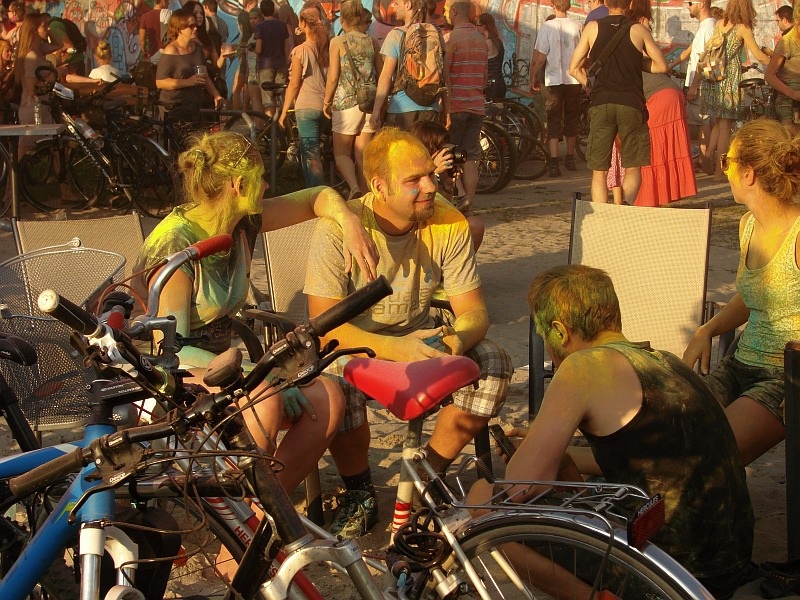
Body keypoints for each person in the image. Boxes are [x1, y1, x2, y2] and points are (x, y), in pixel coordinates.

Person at [473, 264, 754, 599]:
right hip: (726, 565)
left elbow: (520, 488)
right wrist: (559, 455)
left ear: (560, 332)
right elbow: (646, 459)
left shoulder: (584, 366)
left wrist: (534, 445)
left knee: (482, 498)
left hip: (669, 577)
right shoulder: (664, 360)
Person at [134, 130, 379, 493]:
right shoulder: (177, 243)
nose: (266, 186)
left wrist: (350, 222)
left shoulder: (242, 221)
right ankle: (247, 510)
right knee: (265, 397)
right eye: (261, 178)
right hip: (162, 375)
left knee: (327, 396)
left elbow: (318, 196)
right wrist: (258, 375)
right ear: (237, 185)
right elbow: (173, 351)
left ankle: (265, 509)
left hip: (222, 368)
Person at [304, 127, 512, 539]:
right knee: (332, 376)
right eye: (414, 180)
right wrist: (395, 349)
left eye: (430, 175)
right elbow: (324, 329)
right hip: (354, 344)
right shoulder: (338, 230)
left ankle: (425, 477)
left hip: (421, 337)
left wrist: (454, 340)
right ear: (379, 187)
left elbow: (474, 312)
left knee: (493, 362)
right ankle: (359, 490)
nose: (430, 186)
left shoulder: (448, 221)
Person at [683, 118, 800, 468]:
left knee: (708, 454)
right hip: (741, 362)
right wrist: (707, 329)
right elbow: (753, 297)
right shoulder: (747, 225)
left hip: (784, 376)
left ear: (748, 174)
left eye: (726, 161)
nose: (725, 170)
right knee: (670, 432)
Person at [568, 0, 668, 203]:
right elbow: (661, 66)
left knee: (599, 171)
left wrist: (590, 84)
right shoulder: (638, 30)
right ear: (630, 4)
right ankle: (625, 209)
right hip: (631, 104)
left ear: (605, 2)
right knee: (633, 166)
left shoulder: (592, 28)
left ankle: (602, 215)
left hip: (602, 103)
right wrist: (634, 62)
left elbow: (573, 68)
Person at [701, 0, 769, 181]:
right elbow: (758, 55)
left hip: (714, 78)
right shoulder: (743, 28)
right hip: (729, 80)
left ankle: (708, 155)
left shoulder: (720, 23)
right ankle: (719, 172)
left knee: (718, 123)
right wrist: (776, 63)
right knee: (726, 126)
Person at [322, 0, 380, 198]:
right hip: (370, 104)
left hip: (346, 104)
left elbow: (333, 77)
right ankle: (366, 197)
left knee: (341, 154)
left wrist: (326, 101)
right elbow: (380, 74)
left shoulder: (337, 42)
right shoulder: (372, 42)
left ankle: (354, 187)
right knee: (362, 155)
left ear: (343, 20)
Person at [407, 119, 484, 249]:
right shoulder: (407, 169)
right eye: (441, 148)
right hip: (413, 227)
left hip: (433, 224)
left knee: (474, 225)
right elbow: (416, 206)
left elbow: (442, 208)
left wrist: (447, 186)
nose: (446, 153)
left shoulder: (439, 172)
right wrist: (433, 173)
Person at [369, 0, 442, 131]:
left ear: (408, 5)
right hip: (431, 109)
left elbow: (386, 76)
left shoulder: (396, 34)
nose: (393, 7)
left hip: (402, 109)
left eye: (397, 3)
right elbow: (444, 75)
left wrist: (376, 111)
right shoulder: (435, 35)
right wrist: (446, 110)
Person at [278, 5, 329, 187]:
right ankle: (310, 185)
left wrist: (284, 112)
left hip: (306, 106)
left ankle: (317, 192)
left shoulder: (300, 51)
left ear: (303, 23)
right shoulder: (327, 49)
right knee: (309, 149)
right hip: (326, 106)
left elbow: (294, 85)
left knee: (311, 153)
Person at [442, 0, 486, 211]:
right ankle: (470, 199)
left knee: (448, 150)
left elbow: (445, 74)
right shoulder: (481, 39)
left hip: (456, 105)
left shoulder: (451, 39)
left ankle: (459, 192)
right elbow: (484, 77)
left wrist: (447, 105)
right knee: (471, 156)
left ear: (455, 12)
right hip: (477, 105)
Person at [530, 0, 582, 177]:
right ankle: (570, 157)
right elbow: (584, 54)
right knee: (572, 117)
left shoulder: (547, 27)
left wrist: (534, 76)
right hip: (574, 79)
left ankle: (553, 161)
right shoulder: (577, 26)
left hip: (553, 79)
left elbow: (541, 57)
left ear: (553, 5)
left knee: (553, 118)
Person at [636, 71, 697, 205]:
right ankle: (670, 192)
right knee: (670, 146)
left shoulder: (615, 72)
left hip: (658, 97)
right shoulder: (636, 62)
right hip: (673, 92)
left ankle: (650, 197)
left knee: (652, 148)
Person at [155, 9, 223, 128]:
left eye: (195, 25)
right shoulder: (171, 50)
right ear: (179, 29)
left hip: (194, 105)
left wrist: (216, 94)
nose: (195, 28)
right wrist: (188, 82)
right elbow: (160, 82)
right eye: (190, 26)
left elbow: (205, 76)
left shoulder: (197, 48)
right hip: (174, 107)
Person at [668, 0, 715, 167]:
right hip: (698, 84)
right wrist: (669, 65)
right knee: (700, 123)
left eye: (690, 2)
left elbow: (704, 61)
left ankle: (705, 161)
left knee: (703, 122)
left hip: (700, 85)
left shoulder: (707, 28)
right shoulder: (705, 27)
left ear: (701, 4)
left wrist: (694, 86)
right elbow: (690, 51)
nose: (688, 6)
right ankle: (703, 160)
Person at [13, 12, 55, 156]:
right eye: (44, 26)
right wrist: (54, 75)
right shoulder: (32, 56)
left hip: (43, 109)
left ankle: (61, 173)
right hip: (33, 111)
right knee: (25, 150)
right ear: (33, 29)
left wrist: (48, 30)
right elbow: (33, 89)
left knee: (56, 148)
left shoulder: (39, 50)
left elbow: (59, 44)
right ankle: (13, 172)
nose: (48, 28)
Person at [765, 3, 800, 133]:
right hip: (788, 99)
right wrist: (792, 93)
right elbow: (769, 76)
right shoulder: (786, 42)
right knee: (788, 132)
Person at [254, 0, 291, 117]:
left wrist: (253, 50)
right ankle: (281, 121)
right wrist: (286, 61)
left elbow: (258, 49)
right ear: (274, 10)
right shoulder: (282, 25)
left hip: (265, 65)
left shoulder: (260, 27)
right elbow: (286, 47)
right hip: (280, 64)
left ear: (261, 12)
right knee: (280, 97)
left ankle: (271, 125)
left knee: (268, 99)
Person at [475, 12, 506, 101]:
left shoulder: (486, 43)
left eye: (477, 25)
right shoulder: (497, 41)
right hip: (500, 82)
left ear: (484, 26)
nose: (476, 28)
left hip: (491, 86)